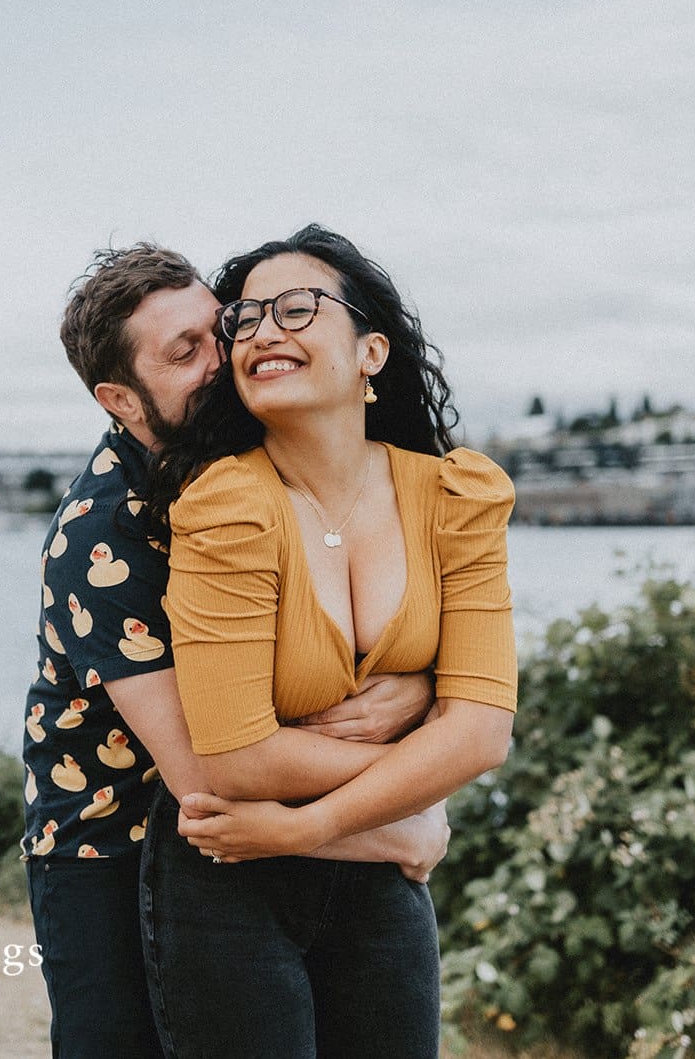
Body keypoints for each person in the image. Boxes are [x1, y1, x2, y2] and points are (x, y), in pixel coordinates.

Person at [22, 244, 447, 1059]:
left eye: (220, 329)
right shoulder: (100, 537)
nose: (225, 358)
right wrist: (404, 815)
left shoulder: (253, 466)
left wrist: (419, 689)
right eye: (184, 353)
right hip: (110, 848)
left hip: (262, 841)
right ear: (121, 399)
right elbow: (210, 776)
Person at [140, 225, 519, 1059]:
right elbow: (237, 758)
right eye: (245, 319)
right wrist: (416, 779)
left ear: (370, 351)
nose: (262, 331)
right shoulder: (222, 505)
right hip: (229, 877)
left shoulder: (457, 497)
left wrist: (311, 825)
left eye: (297, 308)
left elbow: (484, 733)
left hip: (379, 879)